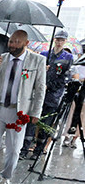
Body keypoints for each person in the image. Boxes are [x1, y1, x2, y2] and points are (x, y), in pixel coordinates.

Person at [0, 30, 46, 184]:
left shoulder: (37, 61)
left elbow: (40, 88)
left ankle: (6, 178)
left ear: (26, 43)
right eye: (11, 42)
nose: (12, 45)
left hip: (18, 112)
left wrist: (36, 112)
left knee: (14, 150)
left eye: (17, 42)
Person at [21, 30, 73, 159]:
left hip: (53, 95)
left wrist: (49, 86)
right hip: (39, 94)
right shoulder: (44, 55)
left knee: (46, 123)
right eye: (57, 39)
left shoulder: (67, 57)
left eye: (62, 40)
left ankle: (38, 150)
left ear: (65, 41)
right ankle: (24, 148)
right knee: (32, 121)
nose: (59, 42)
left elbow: (65, 78)